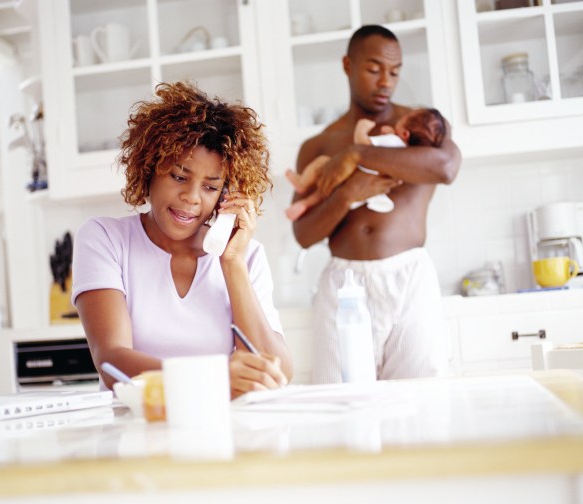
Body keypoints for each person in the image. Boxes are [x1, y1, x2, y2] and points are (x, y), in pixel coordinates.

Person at [72, 82, 292, 398]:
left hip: (225, 432)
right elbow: (111, 362)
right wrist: (213, 377)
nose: (191, 198)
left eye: (210, 187)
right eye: (179, 177)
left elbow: (278, 372)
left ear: (226, 195)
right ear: (149, 169)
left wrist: (231, 265)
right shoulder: (105, 239)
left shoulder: (247, 256)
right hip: (136, 432)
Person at [291, 25, 462, 383]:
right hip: (343, 284)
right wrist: (348, 194)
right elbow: (304, 235)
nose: (386, 81)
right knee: (344, 414)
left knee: (420, 410)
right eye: (373, 69)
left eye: (395, 71)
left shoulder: (422, 127)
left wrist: (356, 153)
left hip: (410, 278)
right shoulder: (318, 145)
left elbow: (446, 168)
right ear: (347, 65)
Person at [285, 107, 446, 220]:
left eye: (405, 118)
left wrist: (360, 129)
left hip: (353, 171)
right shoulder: (406, 153)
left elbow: (363, 147)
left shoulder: (393, 141)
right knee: (324, 191)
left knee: (322, 163)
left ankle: (303, 183)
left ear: (404, 133)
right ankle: (304, 204)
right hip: (362, 180)